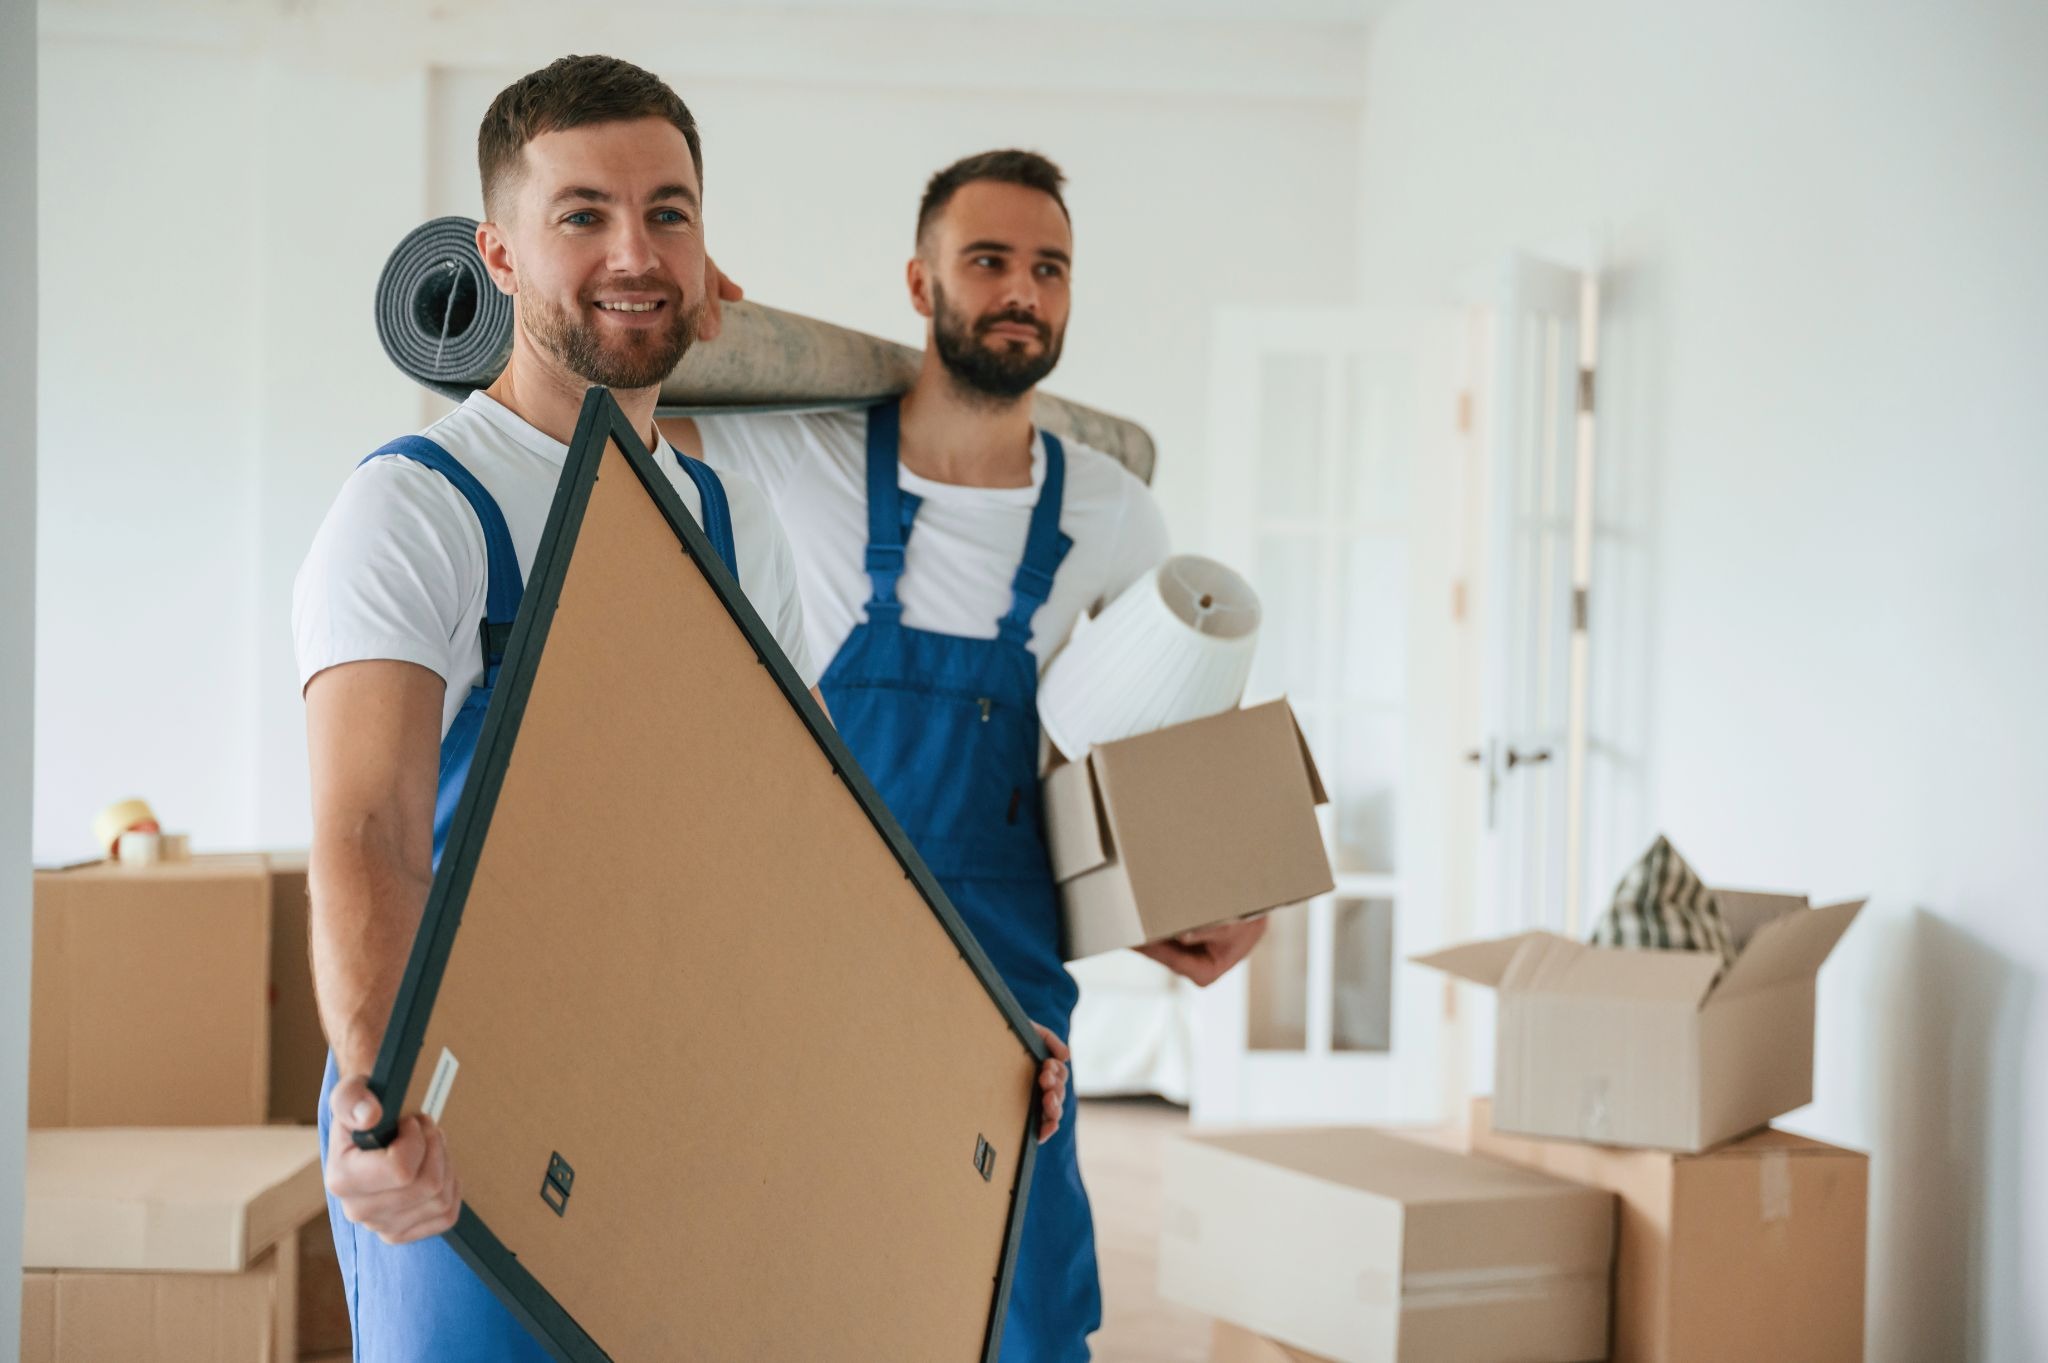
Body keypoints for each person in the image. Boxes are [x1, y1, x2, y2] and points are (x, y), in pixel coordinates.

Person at [294, 62, 1071, 1362]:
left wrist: (971, 1029)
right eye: (583, 214)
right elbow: (370, 832)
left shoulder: (726, 522)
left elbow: (798, 846)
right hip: (465, 1111)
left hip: (677, 1099)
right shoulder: (419, 505)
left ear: (708, 254)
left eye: (668, 212)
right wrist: (382, 1107)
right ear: (497, 253)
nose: (633, 251)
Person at [664, 148, 1267, 1363]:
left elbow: (1117, 760)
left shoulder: (1114, 515)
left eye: (1048, 268)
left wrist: (1196, 898)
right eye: (986, 260)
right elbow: (608, 417)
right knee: (808, 1295)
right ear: (918, 279)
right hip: (817, 960)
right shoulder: (796, 457)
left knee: (1025, 1314)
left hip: (1009, 992)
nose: (1020, 292)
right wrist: (684, 310)